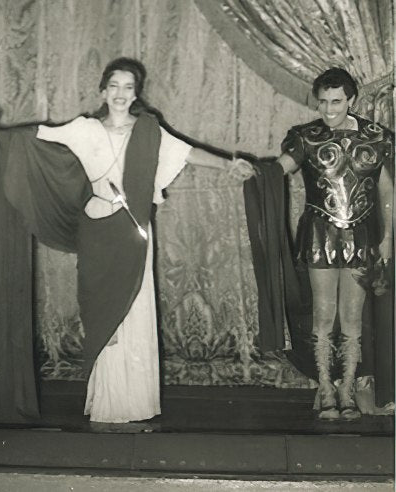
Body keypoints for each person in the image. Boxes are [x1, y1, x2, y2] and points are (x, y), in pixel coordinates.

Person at [33, 57, 254, 424]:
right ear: (102, 90)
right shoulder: (83, 130)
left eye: (128, 87)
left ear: (136, 93)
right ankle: (107, 400)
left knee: (133, 310)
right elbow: (38, 138)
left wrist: (229, 163)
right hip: (96, 231)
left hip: (132, 232)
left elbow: (187, 152)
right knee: (102, 311)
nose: (121, 94)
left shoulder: (148, 131)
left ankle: (132, 401)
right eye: (114, 86)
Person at [278, 68, 393, 420]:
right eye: (323, 101)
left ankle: (347, 387)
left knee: (353, 319)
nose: (328, 109)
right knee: (324, 315)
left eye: (337, 101)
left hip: (362, 237)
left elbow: (388, 191)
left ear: (352, 99)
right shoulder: (305, 137)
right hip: (319, 236)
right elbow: (281, 167)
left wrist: (388, 237)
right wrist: (258, 173)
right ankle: (325, 387)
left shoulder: (377, 137)